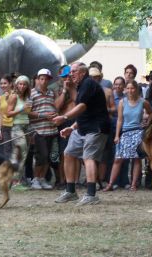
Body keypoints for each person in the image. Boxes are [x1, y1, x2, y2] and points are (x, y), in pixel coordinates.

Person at [53, 62, 110, 206]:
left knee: (88, 157)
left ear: (82, 73)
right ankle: (70, 191)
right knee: (69, 153)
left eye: (73, 71)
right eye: (70, 72)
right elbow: (82, 107)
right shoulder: (80, 87)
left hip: (96, 128)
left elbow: (82, 106)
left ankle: (91, 195)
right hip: (83, 127)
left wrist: (65, 118)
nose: (70, 74)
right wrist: (72, 128)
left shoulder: (89, 83)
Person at [103, 80, 152, 192]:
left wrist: (147, 123)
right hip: (125, 132)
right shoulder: (122, 102)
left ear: (136, 89)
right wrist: (117, 135)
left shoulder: (143, 102)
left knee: (136, 159)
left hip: (138, 132)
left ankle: (133, 184)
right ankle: (110, 184)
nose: (130, 91)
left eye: (132, 88)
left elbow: (151, 113)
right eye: (128, 88)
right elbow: (120, 120)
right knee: (118, 159)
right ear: (126, 89)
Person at [29, 68, 65, 190]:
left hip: (51, 129)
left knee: (49, 156)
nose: (43, 81)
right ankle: (35, 179)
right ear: (38, 80)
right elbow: (28, 112)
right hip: (38, 130)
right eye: (41, 78)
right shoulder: (31, 93)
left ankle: (42, 178)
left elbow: (56, 106)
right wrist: (43, 115)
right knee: (41, 156)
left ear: (49, 80)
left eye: (46, 79)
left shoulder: (51, 93)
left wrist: (55, 114)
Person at [6, 75, 32, 182]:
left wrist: (42, 115)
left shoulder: (26, 97)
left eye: (24, 84)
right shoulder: (14, 96)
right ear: (16, 85)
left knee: (17, 153)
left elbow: (28, 113)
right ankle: (16, 179)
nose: (22, 86)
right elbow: (8, 113)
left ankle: (12, 178)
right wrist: (22, 108)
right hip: (17, 127)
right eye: (20, 84)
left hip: (27, 126)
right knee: (23, 151)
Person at [0, 74, 14, 158]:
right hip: (5, 127)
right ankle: (8, 170)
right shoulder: (1, 97)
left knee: (15, 151)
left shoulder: (15, 95)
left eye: (5, 83)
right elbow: (1, 114)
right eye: (1, 83)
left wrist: (8, 99)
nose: (2, 85)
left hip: (14, 126)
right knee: (6, 151)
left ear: (10, 84)